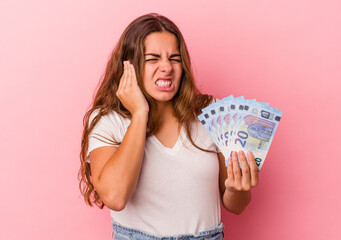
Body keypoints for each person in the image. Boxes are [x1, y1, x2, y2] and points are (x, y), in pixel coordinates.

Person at [79, 13, 259, 240]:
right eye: (153, 58)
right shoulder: (108, 120)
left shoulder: (211, 113)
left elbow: (236, 205)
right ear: (130, 66)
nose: (166, 67)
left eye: (174, 58)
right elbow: (115, 197)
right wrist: (139, 113)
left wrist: (237, 189)